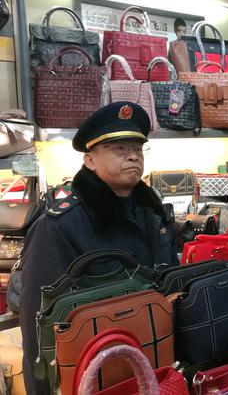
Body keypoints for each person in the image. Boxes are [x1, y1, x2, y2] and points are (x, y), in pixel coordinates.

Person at [19, 102, 179, 395]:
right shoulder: (60, 227)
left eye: (138, 148)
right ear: (90, 160)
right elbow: (38, 331)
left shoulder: (153, 212)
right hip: (95, 379)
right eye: (119, 148)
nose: (132, 155)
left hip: (158, 368)